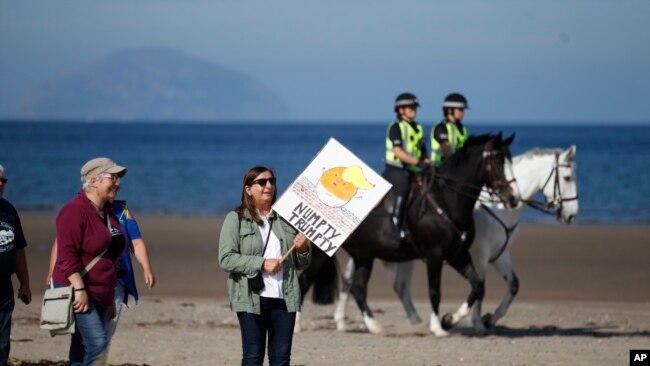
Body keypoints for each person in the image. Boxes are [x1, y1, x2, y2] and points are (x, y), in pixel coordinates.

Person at [219, 166, 311, 366]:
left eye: (272, 181)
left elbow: (301, 263)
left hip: (284, 297)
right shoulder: (235, 219)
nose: (269, 185)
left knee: (281, 360)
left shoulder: (287, 218)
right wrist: (262, 264)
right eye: (262, 182)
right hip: (251, 297)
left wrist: (303, 248)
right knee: (253, 357)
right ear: (248, 189)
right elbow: (225, 259)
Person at [46, 199, 156, 346]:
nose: (116, 185)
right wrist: (52, 272)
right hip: (85, 279)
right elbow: (61, 243)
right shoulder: (80, 210)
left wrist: (147, 268)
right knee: (86, 336)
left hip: (116, 281)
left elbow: (136, 241)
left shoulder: (122, 211)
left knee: (104, 334)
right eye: (112, 179)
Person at [51, 157, 127, 366]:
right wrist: (79, 289)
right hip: (79, 289)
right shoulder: (74, 211)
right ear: (93, 181)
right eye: (113, 177)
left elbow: (111, 259)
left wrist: (110, 297)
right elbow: (66, 256)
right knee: (98, 345)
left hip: (101, 290)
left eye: (118, 178)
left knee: (81, 349)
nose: (118, 183)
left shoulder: (108, 213)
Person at [383, 92, 429, 238]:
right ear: (401, 109)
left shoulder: (418, 128)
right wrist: (417, 162)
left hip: (413, 169)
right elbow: (398, 151)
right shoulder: (396, 127)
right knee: (403, 188)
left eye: (415, 107)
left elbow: (423, 152)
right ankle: (396, 225)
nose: (414, 109)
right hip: (395, 169)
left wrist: (429, 164)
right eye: (410, 107)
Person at [0, 164, 31, 366]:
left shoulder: (9, 210)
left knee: (2, 342)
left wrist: (25, 284)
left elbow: (19, 250)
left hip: (4, 286)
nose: (0, 184)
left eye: (3, 180)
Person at [430, 92, 470, 167]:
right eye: (460, 110)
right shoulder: (441, 127)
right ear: (449, 110)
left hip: (455, 166)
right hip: (440, 167)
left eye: (463, 110)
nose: (463, 113)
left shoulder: (462, 128)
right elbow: (446, 150)